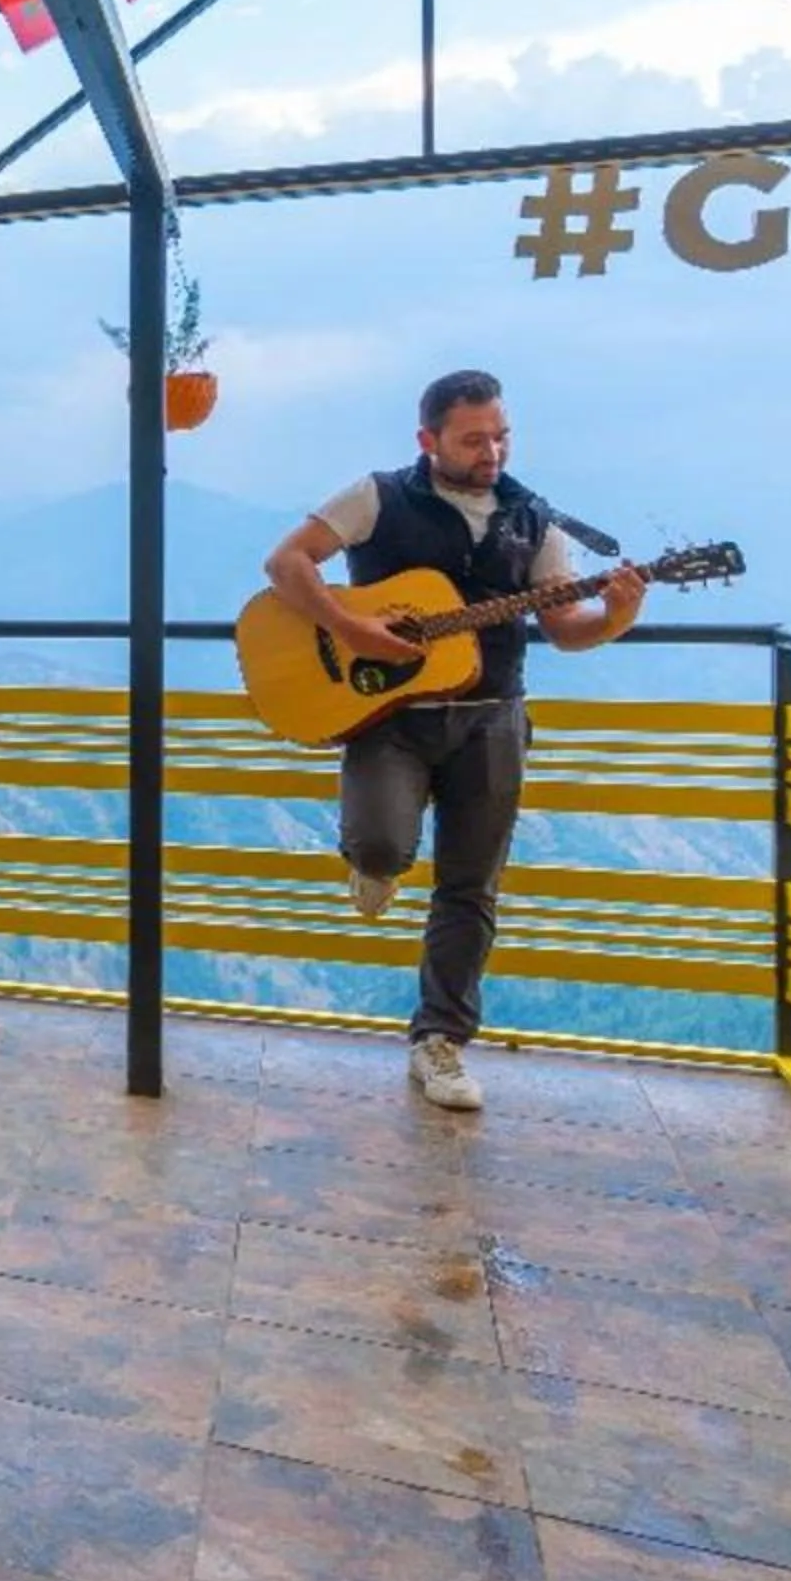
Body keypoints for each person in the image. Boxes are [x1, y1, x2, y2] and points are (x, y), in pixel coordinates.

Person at [261, 370, 647, 1112]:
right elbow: (286, 564)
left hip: (493, 715)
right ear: (428, 439)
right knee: (380, 846)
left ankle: (439, 1041)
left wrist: (616, 617)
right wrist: (351, 628)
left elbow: (566, 629)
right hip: (388, 715)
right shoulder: (376, 496)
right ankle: (372, 862)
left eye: (501, 435)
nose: (491, 452)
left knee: (470, 887)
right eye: (474, 439)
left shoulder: (534, 519)